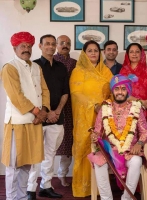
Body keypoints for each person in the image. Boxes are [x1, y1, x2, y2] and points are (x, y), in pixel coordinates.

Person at [1, 32, 50, 200]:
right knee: (14, 165)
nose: (26, 49)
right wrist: (39, 113)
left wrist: (44, 110)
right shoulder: (10, 67)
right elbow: (16, 96)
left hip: (34, 122)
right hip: (18, 121)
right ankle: (11, 198)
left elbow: (45, 90)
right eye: (23, 46)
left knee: (28, 164)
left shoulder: (36, 67)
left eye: (29, 46)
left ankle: (22, 197)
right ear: (15, 48)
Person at [89, 74, 147, 200]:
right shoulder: (104, 108)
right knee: (99, 163)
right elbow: (97, 131)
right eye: (117, 89)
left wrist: (139, 144)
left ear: (128, 90)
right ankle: (107, 199)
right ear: (113, 91)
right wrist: (95, 137)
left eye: (123, 89)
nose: (120, 92)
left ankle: (127, 198)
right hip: (109, 150)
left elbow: (145, 132)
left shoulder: (136, 108)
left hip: (129, 150)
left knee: (137, 161)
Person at [26, 34, 69, 199]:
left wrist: (57, 111)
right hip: (38, 117)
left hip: (57, 117)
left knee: (50, 154)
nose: (50, 47)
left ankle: (46, 186)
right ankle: (30, 189)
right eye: (47, 44)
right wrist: (45, 112)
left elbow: (65, 92)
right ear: (40, 46)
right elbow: (30, 94)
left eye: (53, 44)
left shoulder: (61, 67)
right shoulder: (33, 66)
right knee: (36, 154)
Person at [70, 40, 113, 197]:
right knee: (84, 147)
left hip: (104, 117)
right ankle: (83, 188)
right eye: (90, 50)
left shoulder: (106, 71)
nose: (94, 53)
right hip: (85, 117)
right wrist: (93, 105)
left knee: (101, 150)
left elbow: (114, 89)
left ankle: (101, 188)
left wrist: (107, 106)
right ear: (84, 53)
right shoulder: (78, 71)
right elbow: (76, 94)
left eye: (96, 50)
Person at [53, 35, 77, 187]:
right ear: (56, 45)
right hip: (54, 106)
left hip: (71, 107)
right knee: (50, 143)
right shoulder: (51, 61)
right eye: (62, 43)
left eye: (68, 43)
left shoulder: (75, 63)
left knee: (68, 142)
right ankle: (45, 178)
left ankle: (62, 174)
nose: (65, 45)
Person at [120, 43, 147, 127]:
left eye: (137, 52)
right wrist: (142, 102)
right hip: (128, 110)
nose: (134, 54)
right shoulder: (123, 72)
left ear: (141, 54)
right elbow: (122, 92)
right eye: (131, 52)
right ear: (128, 54)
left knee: (145, 136)